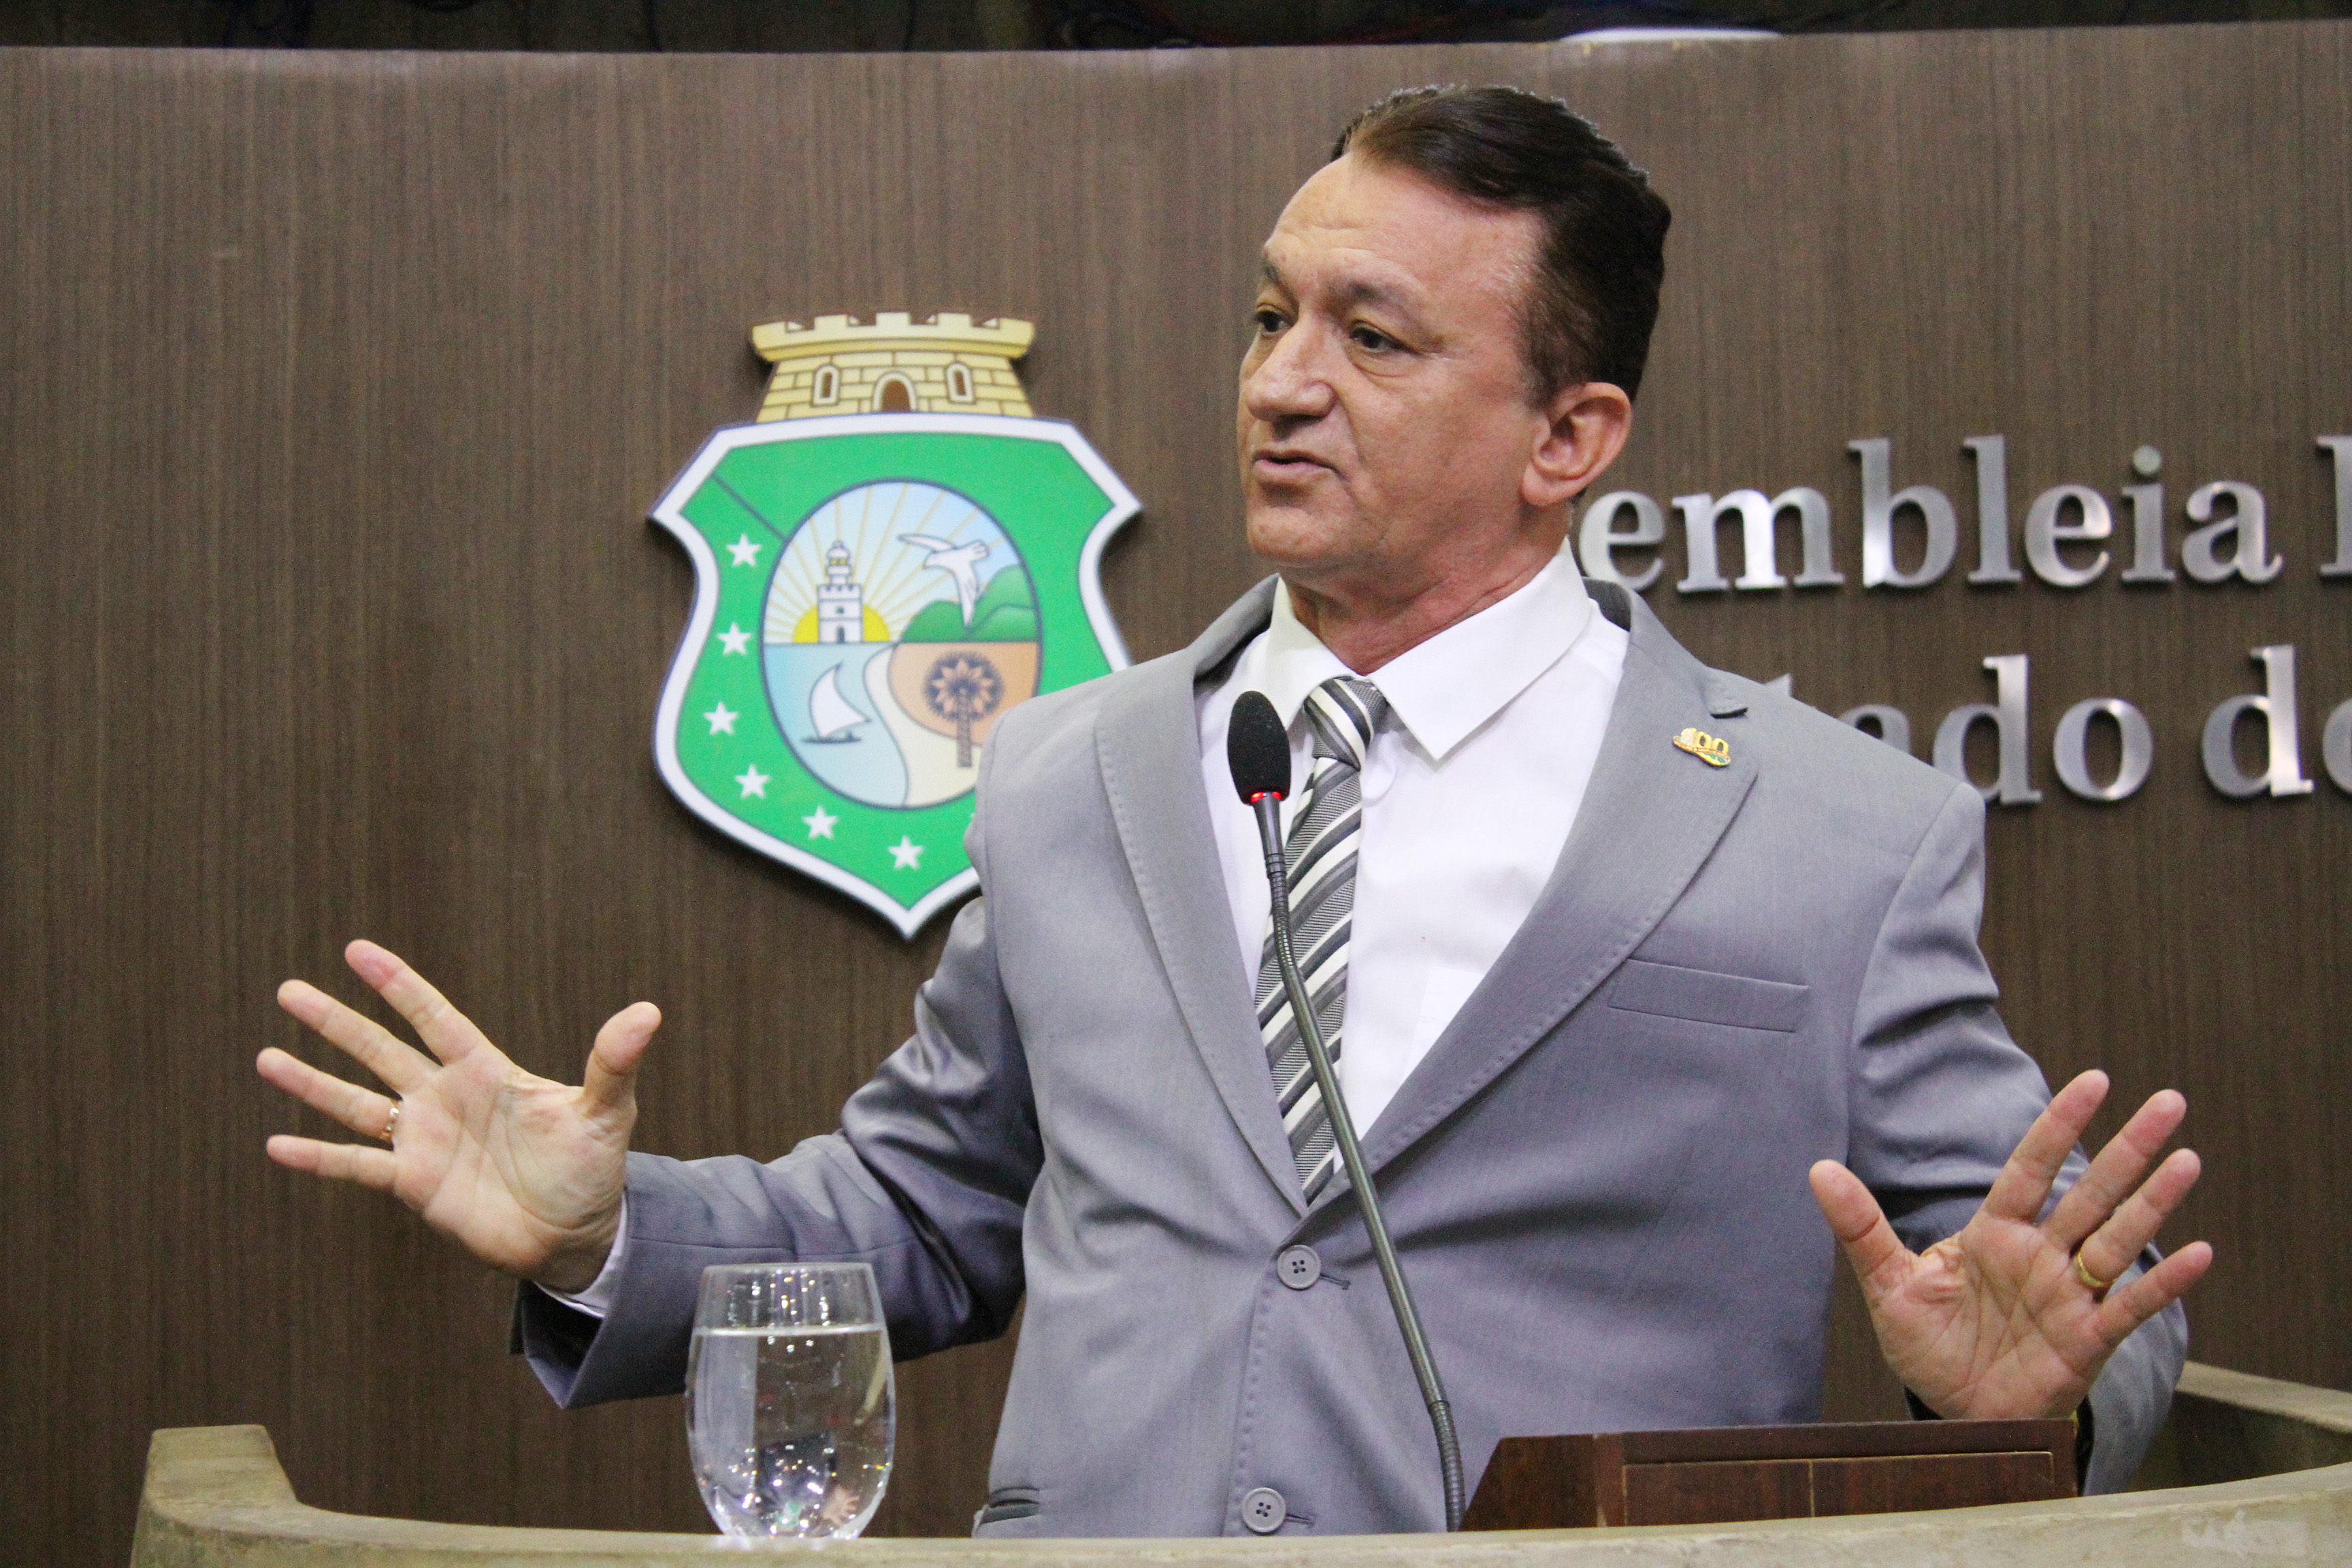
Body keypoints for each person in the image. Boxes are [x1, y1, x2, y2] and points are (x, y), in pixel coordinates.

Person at [257, 86, 2209, 1537]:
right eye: (1271, 318)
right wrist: (609, 1236)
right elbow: (925, 1211)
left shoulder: (1833, 829)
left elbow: (2041, 1300)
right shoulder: (1071, 770)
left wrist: (2024, 1408)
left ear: (1569, 436)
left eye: (1374, 337)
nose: (1283, 383)